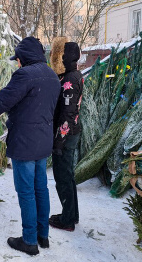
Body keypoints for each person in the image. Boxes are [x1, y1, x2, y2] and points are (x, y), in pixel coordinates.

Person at [0, 36, 60, 256]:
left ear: (23, 58)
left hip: (25, 142)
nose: (17, 63)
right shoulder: (52, 76)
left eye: (18, 59)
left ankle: (29, 241)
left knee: (26, 191)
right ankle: (43, 236)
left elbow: (1, 102)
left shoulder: (25, 75)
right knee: (40, 188)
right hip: (43, 141)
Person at [49, 40, 84, 232]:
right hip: (72, 133)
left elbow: (68, 114)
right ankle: (72, 214)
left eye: (62, 55)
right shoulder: (74, 75)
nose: (60, 58)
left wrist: (59, 142)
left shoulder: (70, 80)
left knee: (62, 177)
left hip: (66, 135)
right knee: (68, 176)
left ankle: (67, 220)